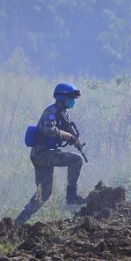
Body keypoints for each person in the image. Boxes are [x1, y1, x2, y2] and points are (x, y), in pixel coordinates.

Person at [16, 82, 88, 225]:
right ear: (62, 97)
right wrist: (66, 135)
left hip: (44, 154)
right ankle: (71, 195)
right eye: (71, 98)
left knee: (44, 193)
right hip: (42, 153)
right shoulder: (52, 112)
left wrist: (72, 140)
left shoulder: (62, 113)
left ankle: (19, 221)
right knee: (77, 160)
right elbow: (48, 130)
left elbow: (63, 133)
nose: (73, 101)